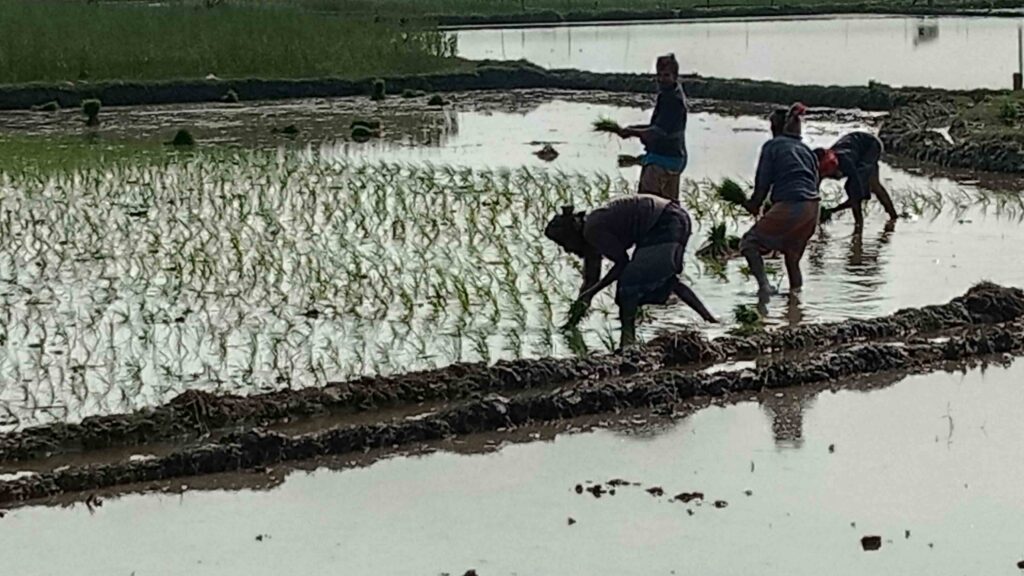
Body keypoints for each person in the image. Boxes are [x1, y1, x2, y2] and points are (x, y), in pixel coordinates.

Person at [544, 194, 716, 348]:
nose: (567, 250)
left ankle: (628, 344)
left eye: (564, 243)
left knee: (627, 287)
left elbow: (622, 263)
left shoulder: (593, 230)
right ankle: (711, 320)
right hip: (675, 217)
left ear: (571, 235)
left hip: (665, 222)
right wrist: (575, 315)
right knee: (666, 279)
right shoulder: (591, 233)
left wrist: (593, 293)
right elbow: (591, 280)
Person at [741, 103, 821, 304]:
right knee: (792, 258)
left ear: (773, 127)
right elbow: (814, 181)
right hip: (812, 208)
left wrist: (753, 204)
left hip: (792, 204)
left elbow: (762, 184)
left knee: (748, 243)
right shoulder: (806, 150)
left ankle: (764, 288)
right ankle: (795, 304)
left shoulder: (772, 146)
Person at [613, 53, 688, 201]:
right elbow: (657, 126)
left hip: (663, 159)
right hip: (675, 157)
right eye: (658, 75)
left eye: (666, 75)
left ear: (675, 76)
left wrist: (632, 132)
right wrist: (634, 129)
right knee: (669, 205)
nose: (661, 79)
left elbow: (657, 132)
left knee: (647, 202)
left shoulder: (673, 99)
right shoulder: (669, 93)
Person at [815, 131, 899, 232]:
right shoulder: (817, 169)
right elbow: (813, 194)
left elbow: (857, 196)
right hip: (856, 145)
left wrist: (832, 211)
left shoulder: (846, 163)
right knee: (874, 185)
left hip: (870, 146)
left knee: (868, 186)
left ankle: (864, 226)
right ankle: (893, 217)